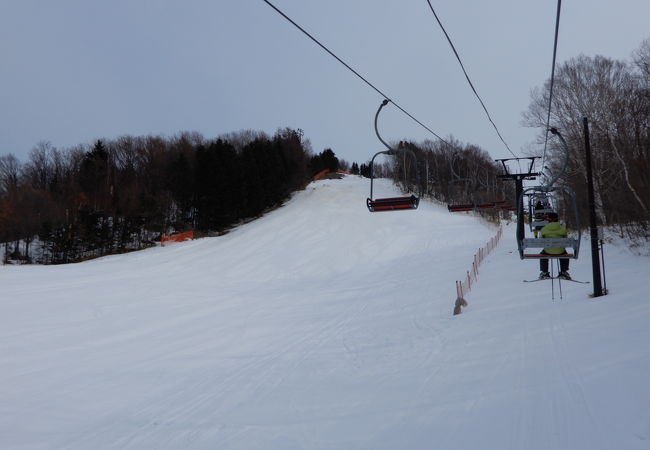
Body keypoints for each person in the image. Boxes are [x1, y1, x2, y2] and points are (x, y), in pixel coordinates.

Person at [538, 212, 571, 280]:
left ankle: (544, 272)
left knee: (542, 254)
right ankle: (563, 272)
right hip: (560, 251)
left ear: (548, 219)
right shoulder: (562, 228)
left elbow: (540, 240)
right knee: (564, 253)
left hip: (548, 251)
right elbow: (566, 239)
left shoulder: (544, 229)